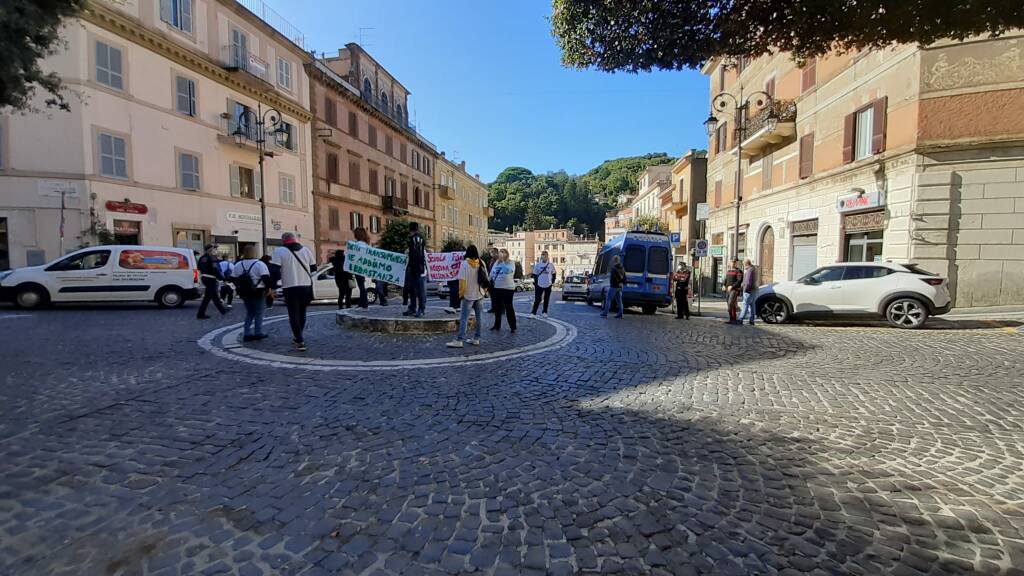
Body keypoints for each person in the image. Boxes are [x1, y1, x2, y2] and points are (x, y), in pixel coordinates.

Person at [271, 232, 316, 351]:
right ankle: (299, 336)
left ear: (283, 240)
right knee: (302, 312)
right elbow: (314, 269)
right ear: (295, 239)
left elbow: (275, 271)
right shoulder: (306, 250)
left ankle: (299, 339)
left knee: (293, 313)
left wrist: (273, 286)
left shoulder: (279, 251)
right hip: (306, 285)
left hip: (290, 286)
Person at [447, 245, 487, 348]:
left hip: (468, 295)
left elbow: (462, 281)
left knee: (464, 318)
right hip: (480, 294)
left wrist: (461, 294)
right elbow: (486, 279)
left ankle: (460, 340)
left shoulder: (464, 264)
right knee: (479, 317)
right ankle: (477, 338)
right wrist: (485, 291)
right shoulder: (482, 263)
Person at [232, 245, 272, 341]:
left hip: (244, 291)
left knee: (250, 312)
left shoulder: (238, 264)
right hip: (258, 290)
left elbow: (233, 278)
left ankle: (247, 333)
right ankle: (258, 332)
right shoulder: (260, 264)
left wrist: (240, 285)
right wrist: (268, 289)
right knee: (259, 313)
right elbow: (266, 278)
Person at [196, 244, 228, 319]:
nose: (215, 250)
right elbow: (216, 269)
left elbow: (199, 267)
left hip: (204, 277)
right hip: (211, 279)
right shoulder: (212, 258)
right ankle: (200, 314)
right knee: (209, 297)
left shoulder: (202, 258)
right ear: (210, 250)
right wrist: (223, 278)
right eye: (214, 249)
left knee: (212, 296)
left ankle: (222, 310)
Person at [403, 222, 428, 317]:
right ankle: (415, 308)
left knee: (418, 290)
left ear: (410, 230)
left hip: (416, 267)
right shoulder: (420, 239)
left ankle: (419, 309)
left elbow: (417, 254)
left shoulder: (415, 239)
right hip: (418, 267)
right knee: (414, 289)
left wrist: (416, 267)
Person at [489, 248, 517, 332]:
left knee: (509, 307)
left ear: (507, 254)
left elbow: (507, 271)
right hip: (497, 287)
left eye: (503, 252)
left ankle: (512, 326)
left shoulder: (511, 263)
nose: (501, 254)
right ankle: (497, 325)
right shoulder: (496, 262)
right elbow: (491, 274)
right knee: (497, 307)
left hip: (508, 288)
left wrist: (502, 262)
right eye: (500, 252)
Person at [530, 251, 557, 317]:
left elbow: (554, 273)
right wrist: (536, 283)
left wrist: (552, 282)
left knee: (546, 299)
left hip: (548, 284)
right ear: (541, 256)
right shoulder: (538, 265)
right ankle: (533, 313)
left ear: (547, 256)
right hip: (539, 285)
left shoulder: (550, 265)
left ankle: (544, 312)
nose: (544, 256)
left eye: (545, 255)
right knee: (537, 299)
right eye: (543, 255)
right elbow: (534, 274)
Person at [353, 227, 371, 308]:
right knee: (362, 286)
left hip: (358, 268)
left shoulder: (356, 245)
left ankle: (364, 302)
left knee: (361, 286)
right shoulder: (367, 245)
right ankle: (363, 302)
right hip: (365, 269)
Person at [738, 258, 758, 325]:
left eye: (743, 264)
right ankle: (752, 320)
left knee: (745, 305)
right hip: (754, 289)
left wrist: (745, 289)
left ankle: (741, 319)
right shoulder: (754, 269)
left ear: (746, 264)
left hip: (748, 290)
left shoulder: (749, 270)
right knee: (752, 305)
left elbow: (748, 282)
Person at [725, 259, 743, 324]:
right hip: (727, 290)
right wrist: (723, 285)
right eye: (731, 262)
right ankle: (731, 319)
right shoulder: (728, 271)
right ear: (729, 263)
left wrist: (732, 286)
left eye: (734, 262)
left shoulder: (738, 271)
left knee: (730, 303)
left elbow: (739, 280)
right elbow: (726, 279)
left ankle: (734, 319)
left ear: (735, 264)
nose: (732, 263)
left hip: (734, 290)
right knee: (729, 304)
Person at [486, 247, 500, 313]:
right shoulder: (491, 260)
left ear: (497, 253)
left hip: (498, 280)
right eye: (491, 252)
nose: (491, 254)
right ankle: (493, 308)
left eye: (493, 252)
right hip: (491, 280)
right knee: (492, 295)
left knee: (499, 296)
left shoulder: (500, 260)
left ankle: (501, 309)